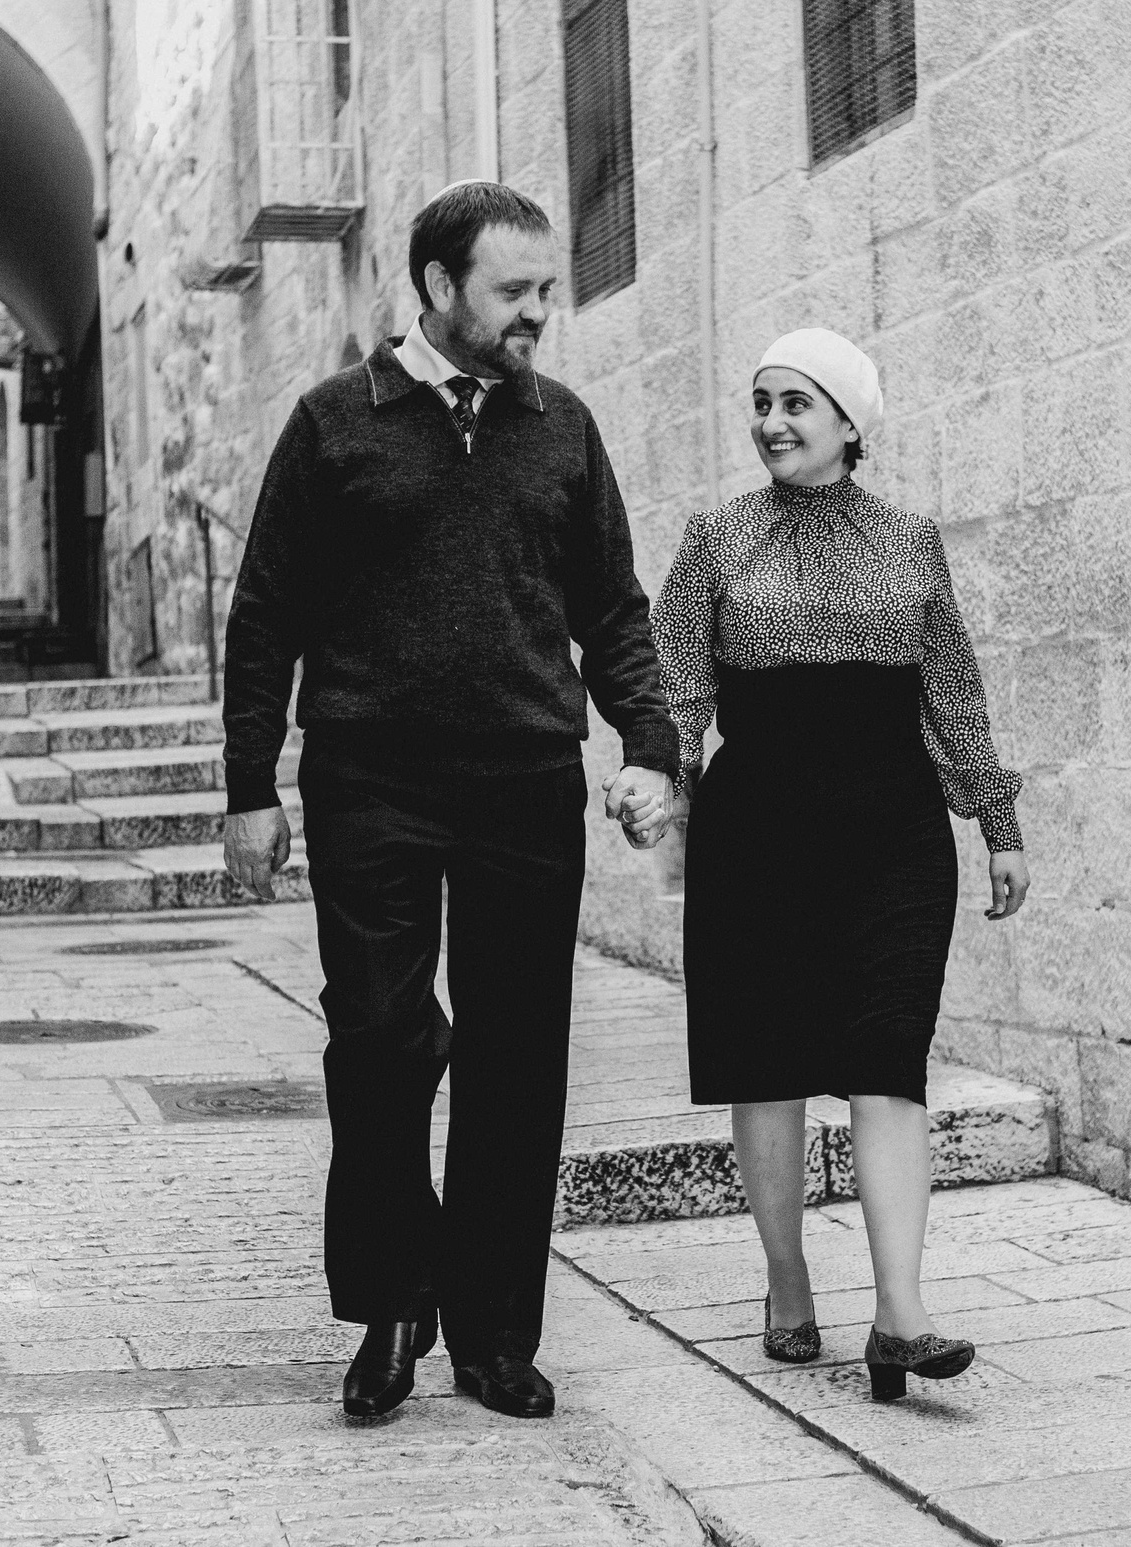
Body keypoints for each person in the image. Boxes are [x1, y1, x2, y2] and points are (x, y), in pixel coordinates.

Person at [220, 182, 679, 1423]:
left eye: (547, 290)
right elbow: (265, 616)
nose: (540, 313)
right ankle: (388, 1306)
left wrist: (652, 742)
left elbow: (613, 611)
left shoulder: (562, 429)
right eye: (514, 292)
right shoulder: (333, 426)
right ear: (436, 287)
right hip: (371, 775)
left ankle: (491, 1333)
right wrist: (248, 784)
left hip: (523, 776)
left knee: (518, 1060)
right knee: (377, 1044)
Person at [651, 328, 1030, 1404]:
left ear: (851, 422)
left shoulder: (911, 539)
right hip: (757, 835)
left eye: (796, 403)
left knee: (887, 1053)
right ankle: (784, 1282)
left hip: (892, 835)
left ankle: (900, 1316)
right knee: (765, 1065)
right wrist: (657, 781)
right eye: (761, 401)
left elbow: (951, 690)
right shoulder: (716, 540)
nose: (771, 420)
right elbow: (677, 686)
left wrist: (996, 821)